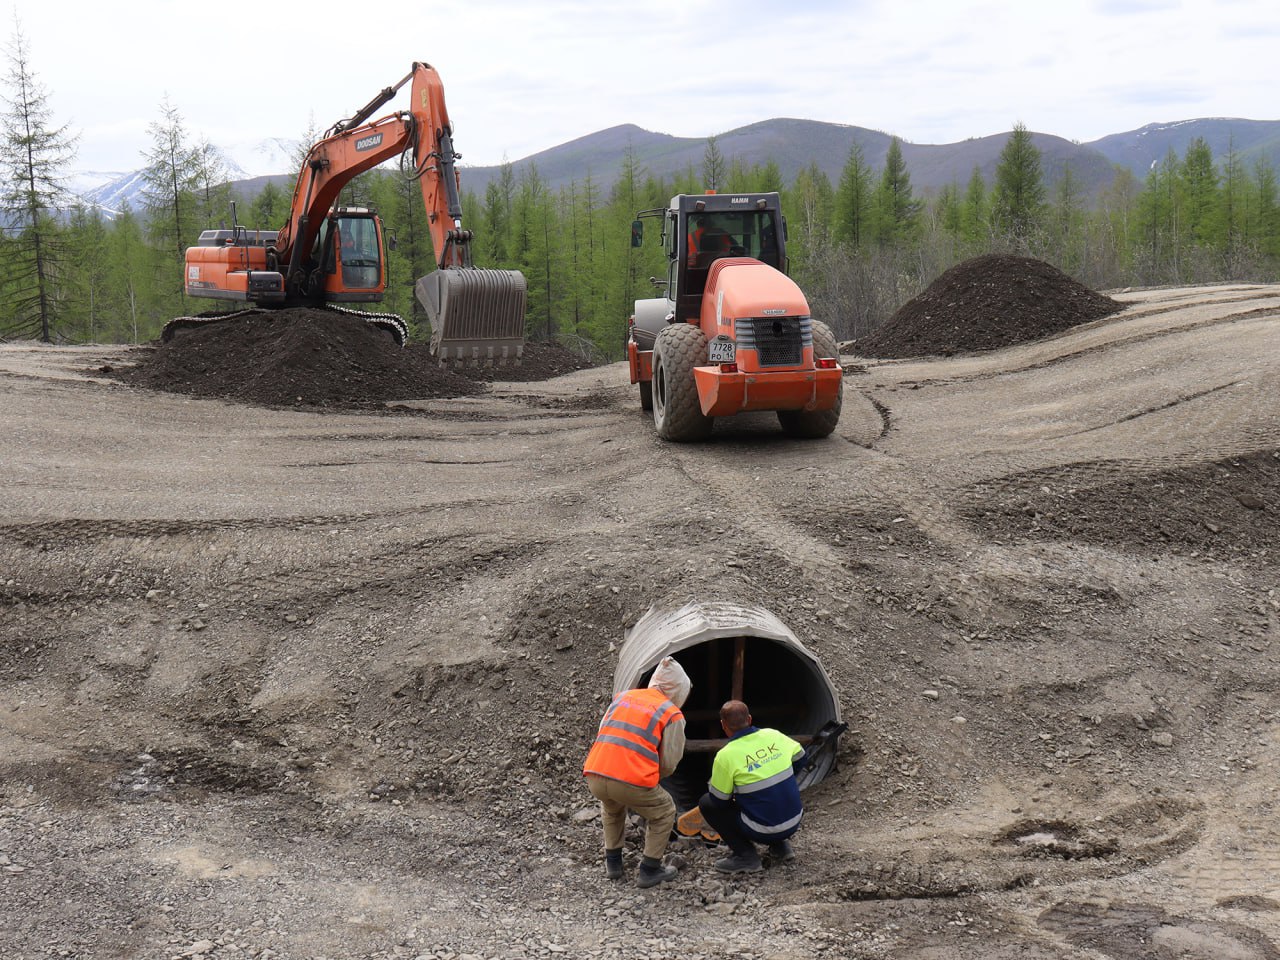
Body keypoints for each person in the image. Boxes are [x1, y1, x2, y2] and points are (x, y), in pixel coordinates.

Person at [583, 656, 691, 889]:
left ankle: (613, 864)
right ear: (678, 689)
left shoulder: (623, 697)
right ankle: (650, 870)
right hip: (630, 780)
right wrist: (649, 778)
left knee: (611, 808)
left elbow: (605, 732)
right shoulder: (671, 713)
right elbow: (669, 761)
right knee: (664, 811)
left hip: (595, 772)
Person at [697, 699, 808, 873]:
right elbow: (802, 758)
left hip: (763, 829)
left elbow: (719, 802)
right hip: (794, 819)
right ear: (749, 719)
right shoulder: (773, 735)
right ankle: (781, 847)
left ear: (723, 725)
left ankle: (746, 857)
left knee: (707, 803)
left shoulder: (726, 756)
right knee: (768, 794)